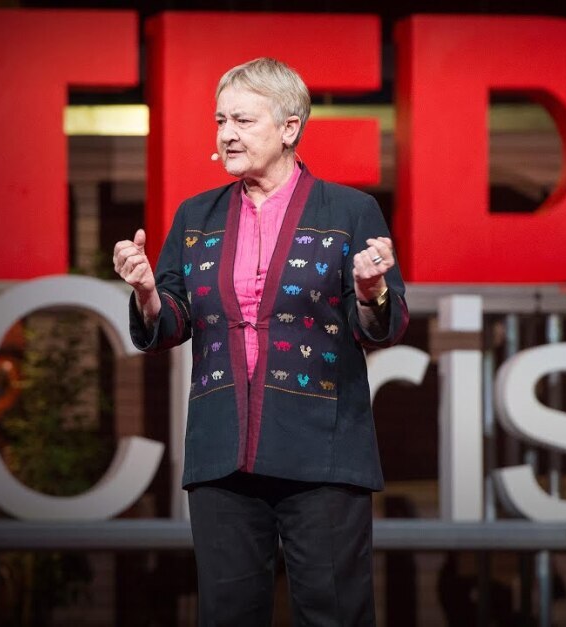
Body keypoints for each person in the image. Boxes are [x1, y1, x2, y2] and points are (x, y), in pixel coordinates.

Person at [112, 57, 409, 626]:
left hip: (323, 453)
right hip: (222, 454)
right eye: (220, 120)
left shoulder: (350, 211)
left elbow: (381, 325)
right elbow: (170, 323)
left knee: (335, 614)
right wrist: (147, 292)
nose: (226, 134)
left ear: (290, 128)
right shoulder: (196, 217)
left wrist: (370, 291)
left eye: (243, 120)